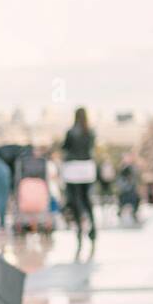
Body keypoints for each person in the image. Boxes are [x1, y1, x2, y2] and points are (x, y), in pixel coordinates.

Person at [61, 107, 99, 261]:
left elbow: (65, 148)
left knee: (75, 200)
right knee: (86, 199)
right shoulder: (90, 131)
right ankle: (93, 229)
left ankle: (79, 231)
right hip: (87, 167)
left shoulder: (71, 132)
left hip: (73, 167)